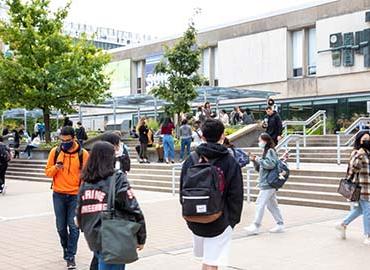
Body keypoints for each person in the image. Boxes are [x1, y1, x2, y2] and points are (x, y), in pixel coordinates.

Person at [180, 119, 244, 270]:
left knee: (208, 260)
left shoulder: (192, 159)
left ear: (202, 136)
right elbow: (236, 194)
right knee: (212, 262)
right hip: (220, 218)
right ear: (222, 136)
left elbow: (183, 189)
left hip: (194, 217)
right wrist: (232, 220)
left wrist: (188, 212)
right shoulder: (229, 161)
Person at [77, 141, 146, 270]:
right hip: (113, 236)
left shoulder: (86, 180)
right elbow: (132, 207)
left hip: (93, 236)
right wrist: (141, 236)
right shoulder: (117, 178)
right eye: (113, 154)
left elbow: (79, 209)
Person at [45, 126, 89, 269]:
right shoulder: (55, 152)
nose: (64, 143)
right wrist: (56, 168)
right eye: (62, 140)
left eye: (67, 140)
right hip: (58, 194)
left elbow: (87, 176)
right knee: (60, 227)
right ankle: (65, 248)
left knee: (74, 227)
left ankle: (71, 256)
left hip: (75, 195)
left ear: (74, 138)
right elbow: (47, 173)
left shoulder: (83, 154)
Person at [245, 133, 285, 235]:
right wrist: (255, 161)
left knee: (260, 203)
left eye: (260, 141)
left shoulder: (270, 151)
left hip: (268, 183)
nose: (259, 143)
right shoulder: (267, 151)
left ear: (265, 141)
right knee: (272, 205)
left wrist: (257, 159)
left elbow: (270, 164)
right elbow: (262, 168)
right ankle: (280, 224)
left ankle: (256, 225)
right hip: (268, 183)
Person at [335, 131, 370, 245]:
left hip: (368, 186)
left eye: (368, 139)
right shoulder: (357, 153)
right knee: (367, 210)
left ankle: (343, 224)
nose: (367, 141)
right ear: (359, 140)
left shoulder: (368, 152)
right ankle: (368, 235)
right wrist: (360, 155)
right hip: (362, 187)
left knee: (360, 209)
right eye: (364, 139)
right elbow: (353, 169)